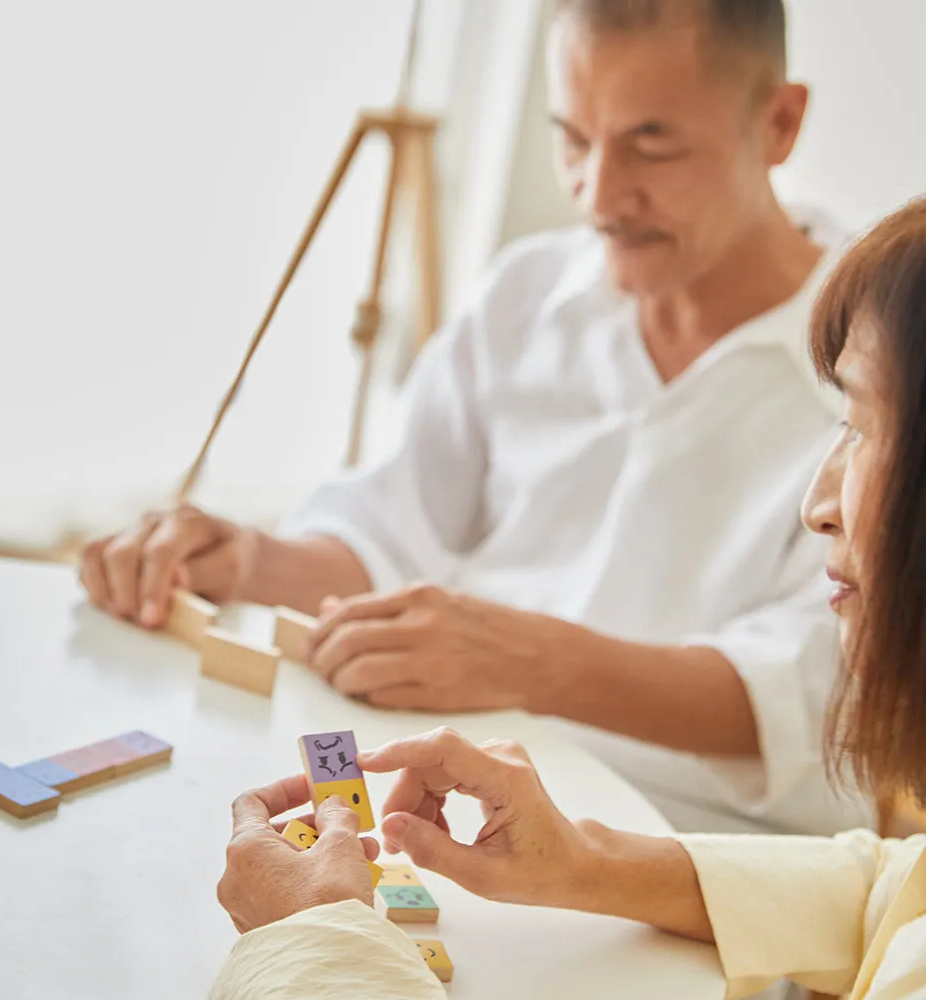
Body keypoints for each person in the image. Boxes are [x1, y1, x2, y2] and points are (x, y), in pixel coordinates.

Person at [81, 0, 865, 835]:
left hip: (693, 860)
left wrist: (533, 663)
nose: (597, 194)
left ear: (779, 123)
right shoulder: (525, 295)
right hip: (445, 797)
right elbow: (390, 533)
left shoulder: (881, 358)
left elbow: (821, 692)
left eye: (651, 143)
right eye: (572, 137)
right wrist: (244, 560)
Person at [207, 198, 926, 999]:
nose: (816, 501)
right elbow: (892, 890)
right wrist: (586, 861)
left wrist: (313, 946)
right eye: (575, 139)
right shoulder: (529, 290)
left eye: (862, 428)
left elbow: (791, 692)